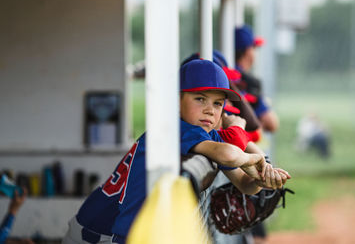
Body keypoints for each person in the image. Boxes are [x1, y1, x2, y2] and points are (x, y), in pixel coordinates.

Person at [63, 59, 290, 244]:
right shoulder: (176, 128)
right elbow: (231, 155)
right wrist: (253, 157)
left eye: (218, 103)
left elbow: (244, 184)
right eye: (199, 99)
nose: (210, 110)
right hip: (97, 231)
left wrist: (261, 178)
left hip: (118, 229)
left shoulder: (207, 136)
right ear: (176, 101)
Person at [235, 25, 279, 133]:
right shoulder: (245, 80)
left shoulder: (225, 72)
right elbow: (271, 124)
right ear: (248, 51)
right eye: (254, 48)